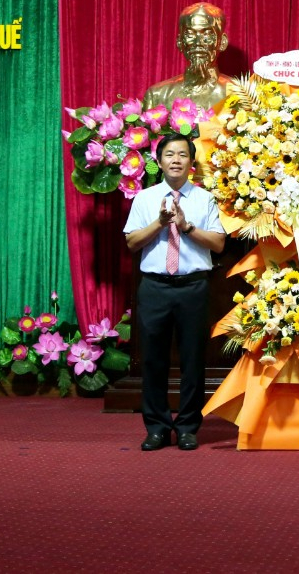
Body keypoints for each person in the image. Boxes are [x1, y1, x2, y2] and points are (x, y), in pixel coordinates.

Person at [123, 132, 226, 451]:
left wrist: (186, 227)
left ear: (192, 162)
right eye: (170, 155)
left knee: (193, 360)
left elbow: (219, 244)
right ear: (159, 161)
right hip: (154, 287)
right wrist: (160, 222)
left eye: (182, 155)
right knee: (152, 360)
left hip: (192, 287)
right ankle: (156, 427)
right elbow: (131, 243)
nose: (176, 160)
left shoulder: (205, 199)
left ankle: (187, 428)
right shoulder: (145, 198)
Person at [143, 2, 232, 111]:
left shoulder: (242, 95)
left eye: (207, 34)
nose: (198, 42)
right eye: (190, 34)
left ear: (222, 42)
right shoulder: (158, 95)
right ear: (180, 42)